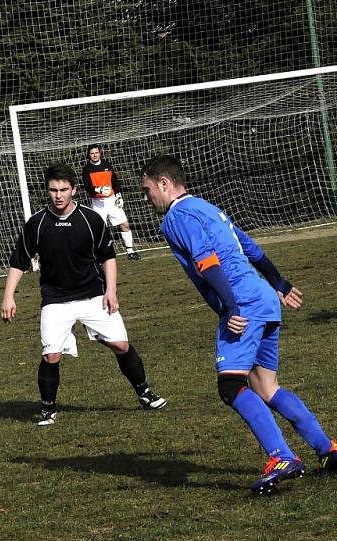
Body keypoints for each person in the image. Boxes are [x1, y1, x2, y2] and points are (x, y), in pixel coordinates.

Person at [141, 154, 337, 494]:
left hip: (242, 304)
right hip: (263, 298)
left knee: (230, 386)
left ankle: (282, 457)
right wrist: (279, 283)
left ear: (164, 184)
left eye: (147, 190)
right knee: (266, 387)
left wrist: (230, 307)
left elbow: (207, 260)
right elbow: (250, 248)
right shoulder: (207, 208)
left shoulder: (177, 216)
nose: (147, 199)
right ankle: (328, 450)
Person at [1, 163, 166, 427]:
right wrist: (8, 296)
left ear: (74, 190)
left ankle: (144, 392)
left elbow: (108, 258)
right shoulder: (37, 224)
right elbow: (19, 261)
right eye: (53, 190)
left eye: (63, 189)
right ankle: (48, 409)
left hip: (93, 296)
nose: (58, 195)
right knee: (51, 355)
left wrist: (110, 291)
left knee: (121, 345)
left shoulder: (91, 220)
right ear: (47, 191)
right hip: (55, 300)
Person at [81, 144, 140, 260]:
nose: (94, 155)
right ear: (89, 155)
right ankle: (103, 255)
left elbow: (115, 181)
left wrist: (119, 195)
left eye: (96, 152)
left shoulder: (107, 165)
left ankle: (130, 251)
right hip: (98, 202)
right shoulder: (86, 169)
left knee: (125, 224)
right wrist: (98, 189)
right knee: (100, 229)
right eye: (92, 153)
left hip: (112, 200)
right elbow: (87, 186)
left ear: (100, 153)